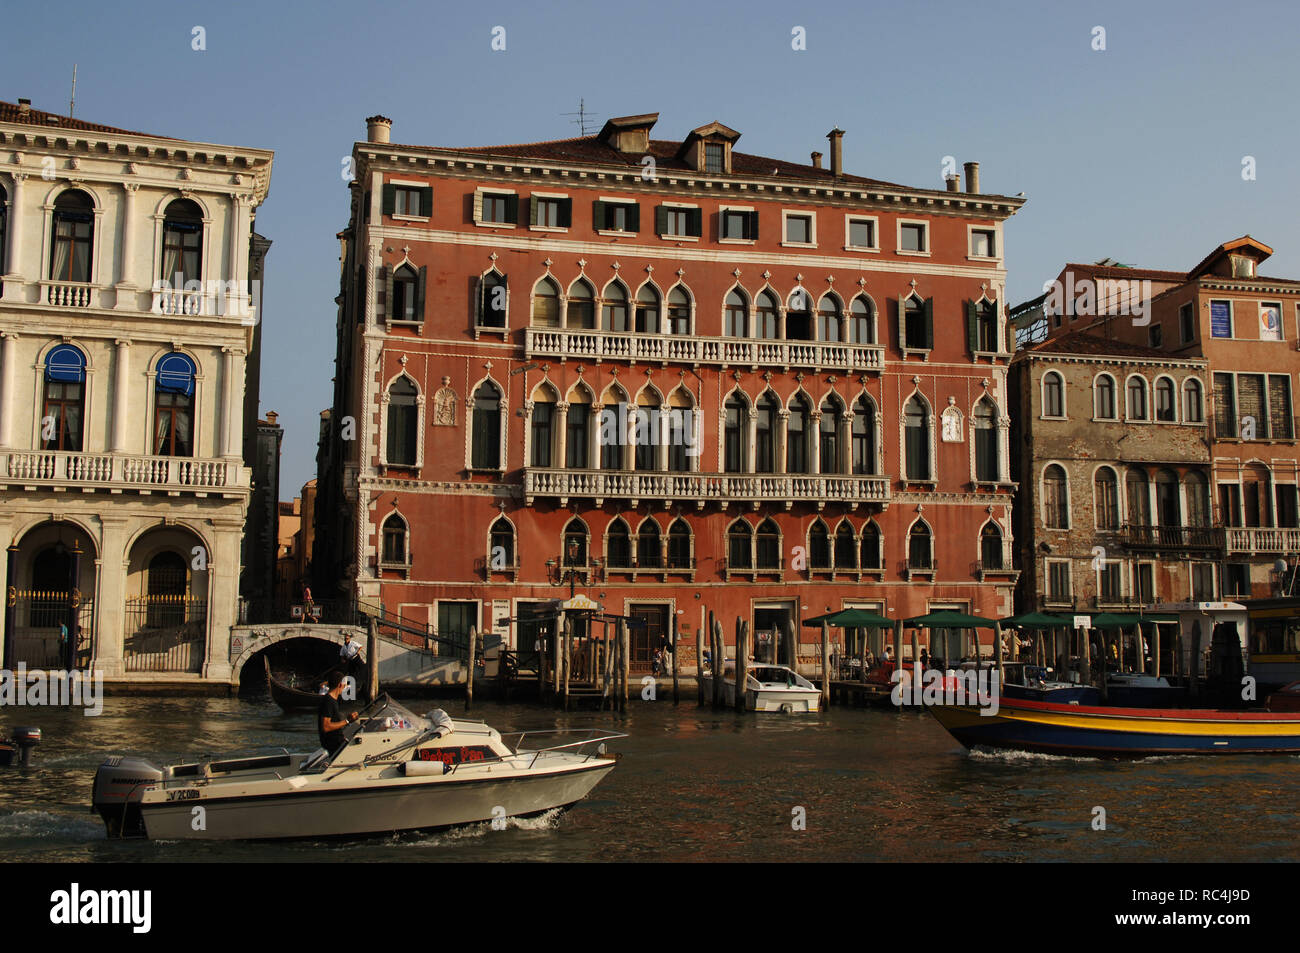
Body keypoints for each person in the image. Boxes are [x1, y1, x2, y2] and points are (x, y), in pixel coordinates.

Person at [319, 670, 358, 757]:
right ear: (340, 685)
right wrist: (347, 721)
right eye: (345, 685)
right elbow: (326, 726)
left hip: (338, 741)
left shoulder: (333, 701)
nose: (345, 687)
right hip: (334, 745)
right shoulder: (329, 701)